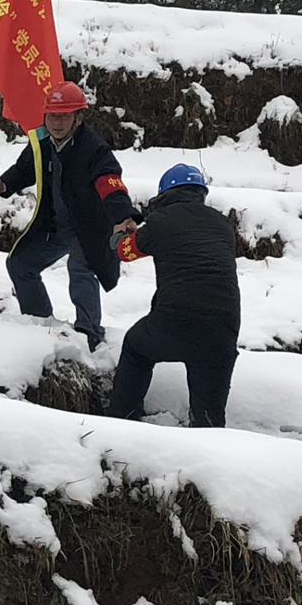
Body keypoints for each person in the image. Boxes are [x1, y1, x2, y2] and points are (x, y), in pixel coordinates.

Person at [0, 81, 138, 350]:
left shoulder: (94, 149)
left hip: (88, 229)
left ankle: (89, 334)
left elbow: (109, 182)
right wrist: (2, 185)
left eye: (64, 116)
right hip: (53, 226)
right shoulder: (41, 143)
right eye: (52, 115)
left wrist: (123, 215)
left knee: (81, 269)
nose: (57, 122)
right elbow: (24, 170)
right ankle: (40, 324)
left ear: (79, 117)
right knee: (20, 264)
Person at [108, 163, 240, 428]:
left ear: (163, 195)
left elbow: (125, 252)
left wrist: (119, 236)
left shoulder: (161, 221)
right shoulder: (223, 224)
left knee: (136, 347)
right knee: (209, 420)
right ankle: (211, 448)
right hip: (224, 328)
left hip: (176, 319)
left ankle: (122, 422)